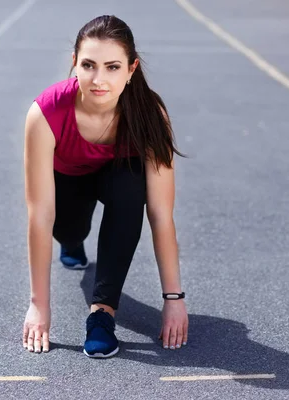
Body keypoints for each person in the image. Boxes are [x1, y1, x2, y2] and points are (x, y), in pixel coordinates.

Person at [22, 15, 188, 358]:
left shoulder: (149, 114)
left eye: (112, 67)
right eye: (89, 65)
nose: (99, 79)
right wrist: (39, 306)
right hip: (68, 179)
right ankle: (73, 241)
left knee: (131, 188)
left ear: (131, 69)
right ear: (74, 64)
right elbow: (40, 215)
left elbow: (160, 213)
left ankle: (102, 315)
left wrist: (173, 298)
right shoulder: (46, 113)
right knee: (68, 231)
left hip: (117, 177)